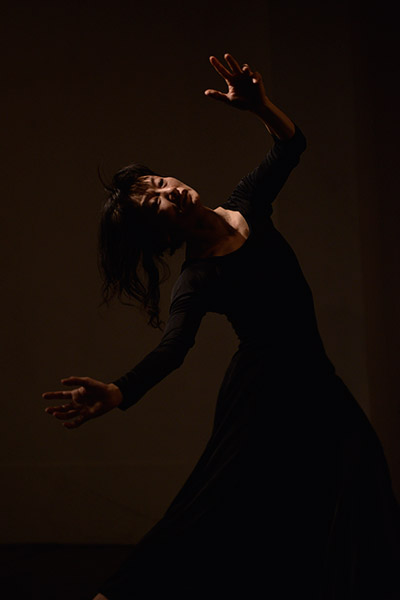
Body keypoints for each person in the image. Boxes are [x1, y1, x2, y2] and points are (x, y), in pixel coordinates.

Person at [43, 53, 400, 599]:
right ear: (160, 233)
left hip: (314, 379)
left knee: (358, 485)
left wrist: (260, 106)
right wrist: (117, 391)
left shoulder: (246, 204)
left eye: (159, 181)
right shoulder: (198, 277)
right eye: (155, 203)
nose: (168, 191)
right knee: (210, 504)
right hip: (262, 395)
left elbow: (290, 147)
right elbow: (172, 349)